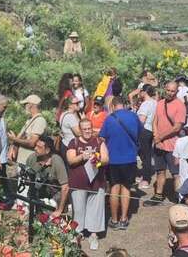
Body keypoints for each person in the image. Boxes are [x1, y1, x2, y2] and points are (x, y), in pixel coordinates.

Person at [99, 96, 142, 230]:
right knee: (126, 188)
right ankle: (124, 219)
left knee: (114, 188)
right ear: (124, 104)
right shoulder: (134, 117)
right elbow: (140, 133)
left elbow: (102, 137)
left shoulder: (109, 119)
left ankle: (114, 219)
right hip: (129, 158)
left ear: (112, 105)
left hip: (113, 159)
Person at [66, 119, 109, 251]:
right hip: (78, 182)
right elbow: (71, 160)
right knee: (78, 209)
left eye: (89, 128)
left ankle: (93, 234)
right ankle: (77, 233)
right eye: (84, 129)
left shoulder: (99, 142)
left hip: (97, 181)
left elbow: (106, 159)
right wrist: (82, 157)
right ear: (80, 129)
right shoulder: (74, 142)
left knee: (96, 208)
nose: (87, 131)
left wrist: (97, 158)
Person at [146, 81, 186, 206]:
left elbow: (177, 127)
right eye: (168, 90)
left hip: (174, 145)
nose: (169, 93)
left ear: (177, 91)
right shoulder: (160, 103)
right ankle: (158, 195)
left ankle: (179, 197)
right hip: (159, 144)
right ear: (165, 89)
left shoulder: (180, 106)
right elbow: (154, 121)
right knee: (160, 171)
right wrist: (156, 137)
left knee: (176, 173)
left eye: (172, 91)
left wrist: (160, 137)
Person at [24, 135, 69, 218]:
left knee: (52, 215)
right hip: (37, 192)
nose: (35, 149)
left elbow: (65, 187)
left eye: (39, 147)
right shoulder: (32, 158)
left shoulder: (57, 160)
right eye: (35, 146)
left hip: (54, 194)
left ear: (47, 150)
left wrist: (60, 210)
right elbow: (26, 178)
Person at [8, 95, 48, 167]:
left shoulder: (40, 121)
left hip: (31, 163)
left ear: (31, 105)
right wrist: (13, 145)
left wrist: (14, 139)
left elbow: (32, 143)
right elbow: (20, 137)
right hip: (22, 162)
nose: (24, 107)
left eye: (25, 104)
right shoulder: (30, 120)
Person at [136, 84, 158, 189]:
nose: (139, 93)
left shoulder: (145, 104)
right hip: (152, 130)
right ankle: (145, 175)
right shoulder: (155, 103)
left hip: (144, 131)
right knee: (147, 154)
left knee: (145, 155)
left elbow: (141, 120)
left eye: (140, 91)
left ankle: (146, 179)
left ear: (144, 92)